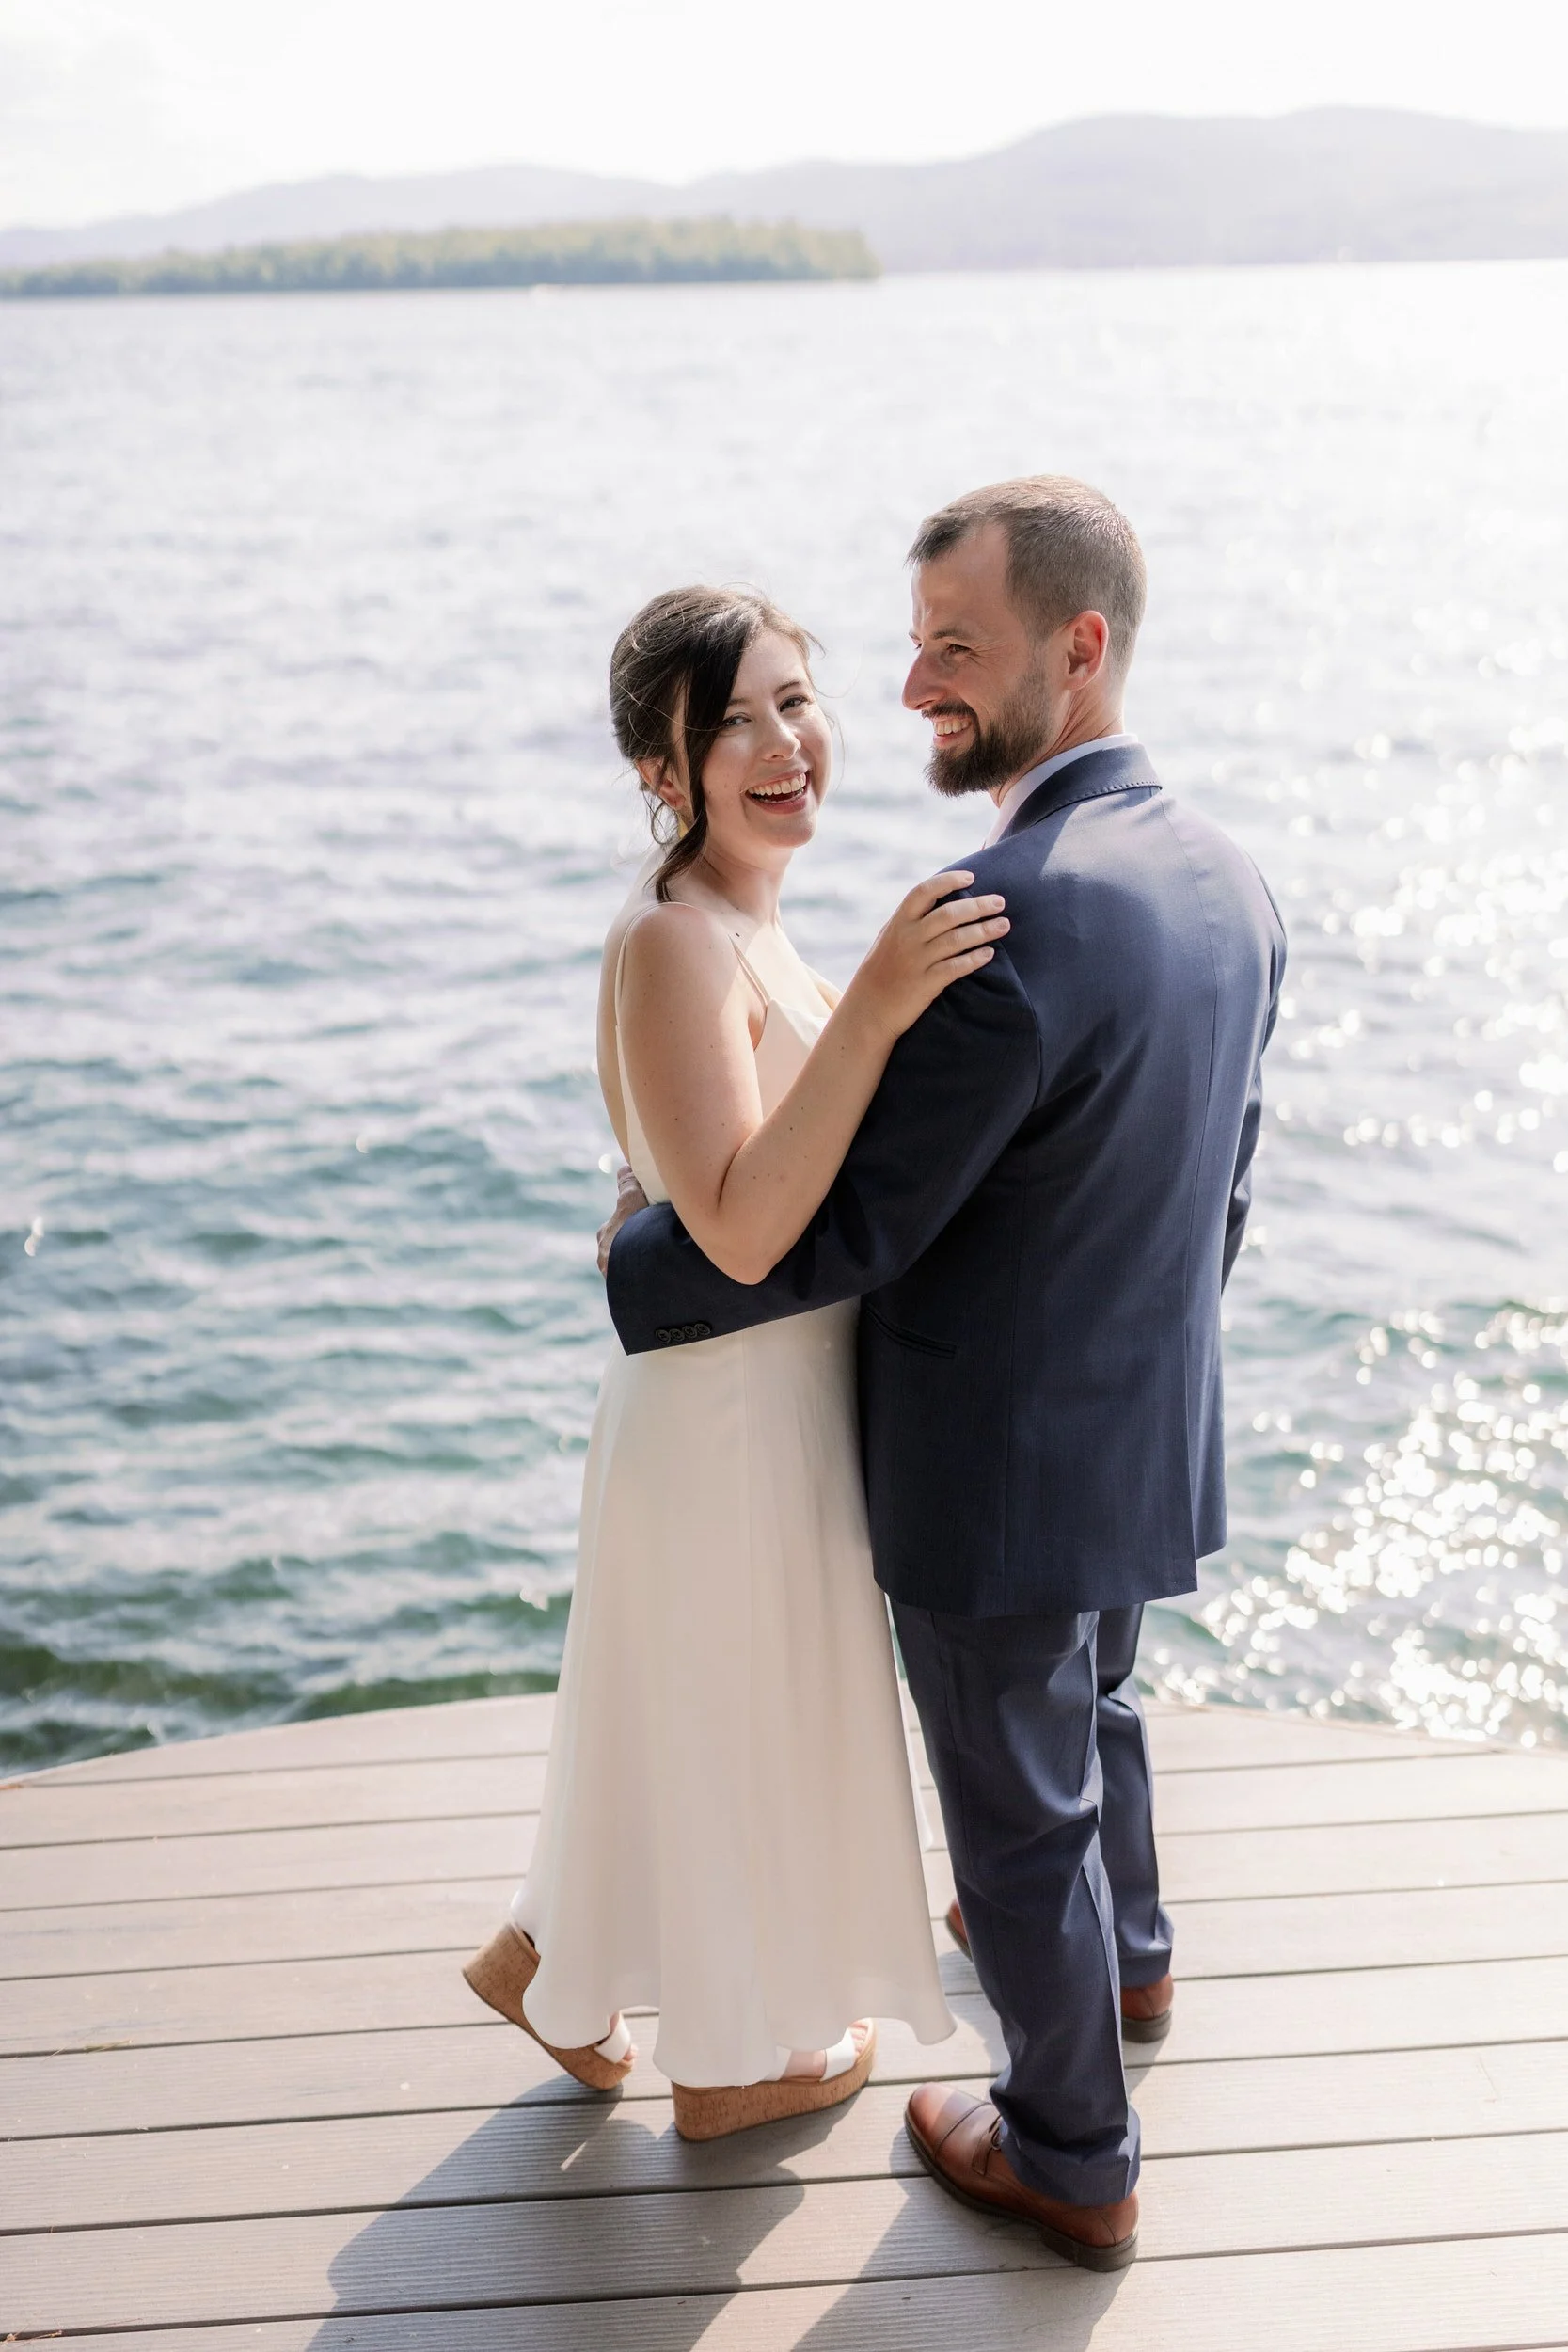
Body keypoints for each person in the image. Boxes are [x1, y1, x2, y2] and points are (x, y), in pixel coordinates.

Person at [603, 477, 1285, 2267]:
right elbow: (1222, 1181)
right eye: (908, 651)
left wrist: (638, 1266)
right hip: (1142, 1424)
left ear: (1079, 648)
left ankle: (1070, 2147)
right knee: (1101, 1721)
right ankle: (1129, 1974)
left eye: (955, 652)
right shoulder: (1229, 877)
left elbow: (851, 1230)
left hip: (996, 1464)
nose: (915, 692)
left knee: (1016, 1802)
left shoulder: (1007, 913)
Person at [463, 584, 1008, 2138]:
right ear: (664, 771)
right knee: (729, 1720)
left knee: (695, 1709)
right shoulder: (676, 943)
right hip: (724, 1410)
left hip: (767, 1401)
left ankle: (543, 1959)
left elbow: (724, 1172)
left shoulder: (753, 926)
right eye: (733, 725)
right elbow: (748, 1229)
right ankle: (732, 2068)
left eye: (794, 700)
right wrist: (889, 1000)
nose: (784, 745)